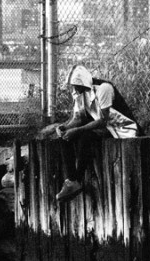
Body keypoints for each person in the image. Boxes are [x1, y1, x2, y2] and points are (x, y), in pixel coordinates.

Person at [50, 65, 140, 203]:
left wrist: (78, 130)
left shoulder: (104, 88)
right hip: (106, 127)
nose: (75, 89)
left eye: (77, 85)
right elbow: (78, 118)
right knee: (65, 138)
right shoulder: (79, 93)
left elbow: (103, 121)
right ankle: (71, 181)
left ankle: (77, 179)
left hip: (122, 128)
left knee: (84, 136)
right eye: (73, 85)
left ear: (84, 82)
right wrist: (64, 128)